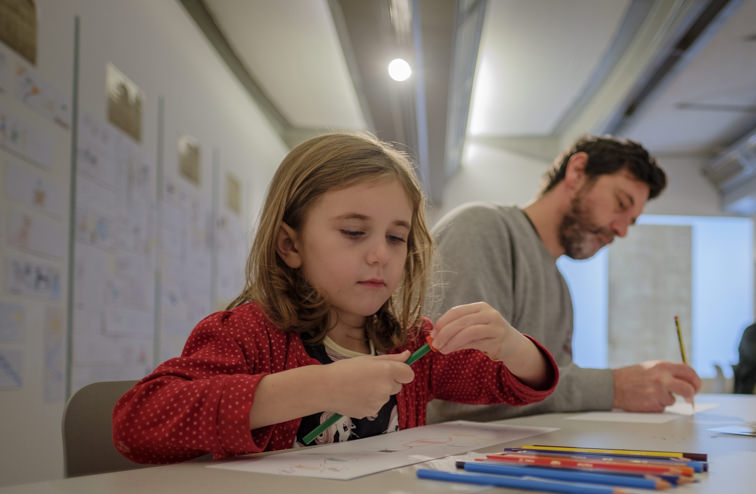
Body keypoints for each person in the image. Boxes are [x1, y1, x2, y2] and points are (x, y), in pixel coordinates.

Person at [112, 132, 558, 464]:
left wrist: (512, 346)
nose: (380, 254)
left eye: (397, 237)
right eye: (353, 232)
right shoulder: (250, 333)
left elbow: (512, 385)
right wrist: (317, 387)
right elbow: (137, 424)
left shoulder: (411, 341)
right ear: (290, 245)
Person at [427, 134, 701, 422]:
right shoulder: (481, 226)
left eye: (631, 221)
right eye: (621, 203)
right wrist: (614, 387)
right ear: (577, 171)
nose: (622, 230)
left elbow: (547, 397)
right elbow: (456, 394)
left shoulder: (561, 290)